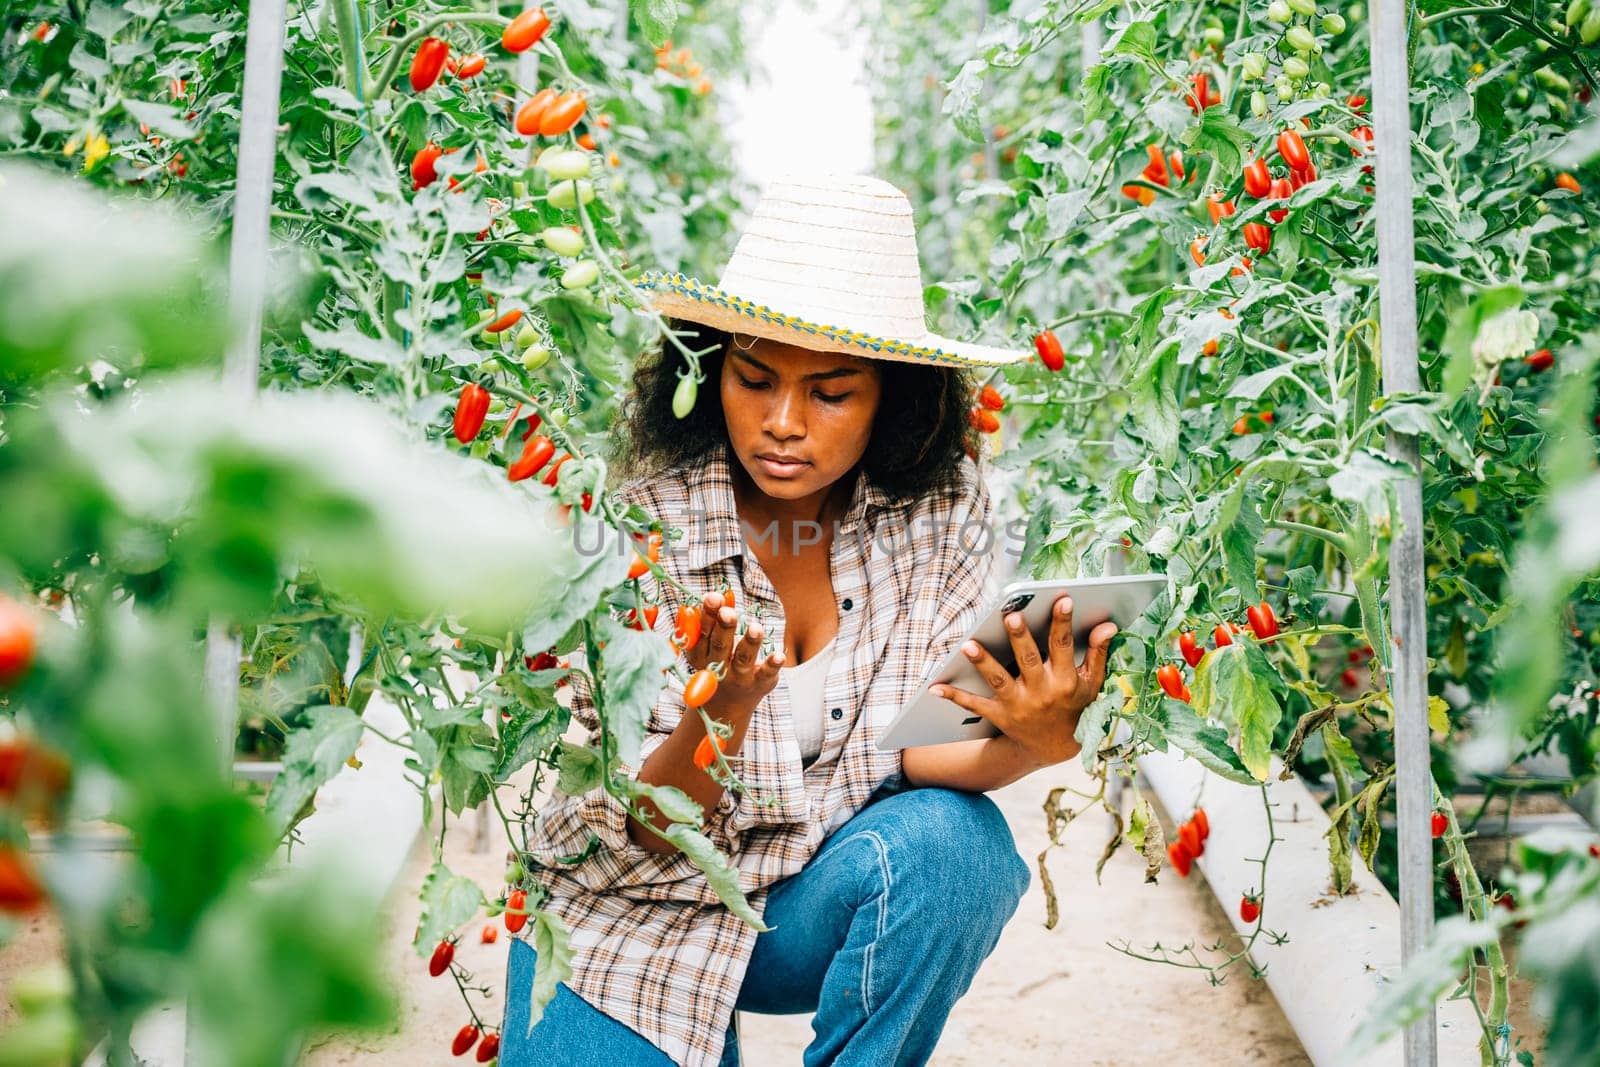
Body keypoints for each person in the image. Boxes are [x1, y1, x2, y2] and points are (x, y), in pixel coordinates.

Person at [501, 173, 1118, 1067]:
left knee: (958, 848)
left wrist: (1038, 738)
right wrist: (721, 717)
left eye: (831, 394)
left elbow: (917, 751)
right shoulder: (636, 530)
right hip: (628, 911)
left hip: (800, 901)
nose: (782, 423)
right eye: (753, 379)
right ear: (711, 371)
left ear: (892, 399)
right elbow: (640, 827)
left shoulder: (936, 515)